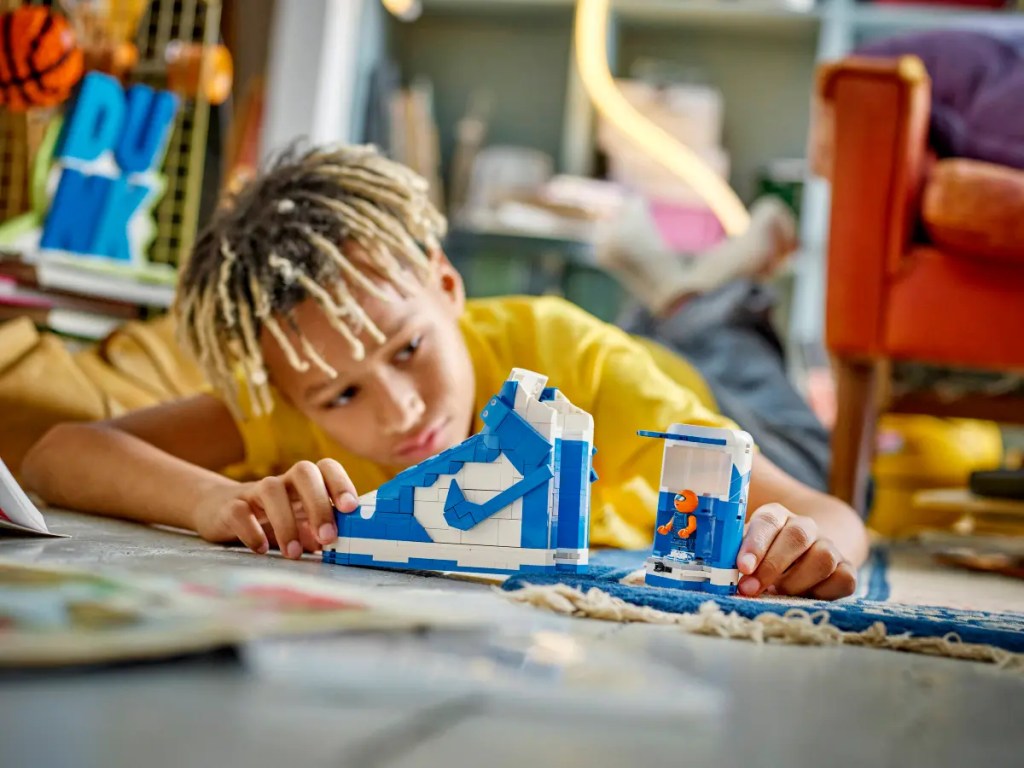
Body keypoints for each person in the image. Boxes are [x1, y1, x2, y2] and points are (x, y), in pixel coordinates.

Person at [21, 145, 867, 600]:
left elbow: (827, 509)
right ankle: (679, 283)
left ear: (449, 285)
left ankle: (705, 284)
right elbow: (60, 453)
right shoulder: (287, 400)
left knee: (729, 332)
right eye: (340, 395)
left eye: (407, 349)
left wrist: (805, 548)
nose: (399, 412)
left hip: (707, 394)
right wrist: (216, 499)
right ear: (294, 392)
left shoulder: (573, 358)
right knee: (679, 308)